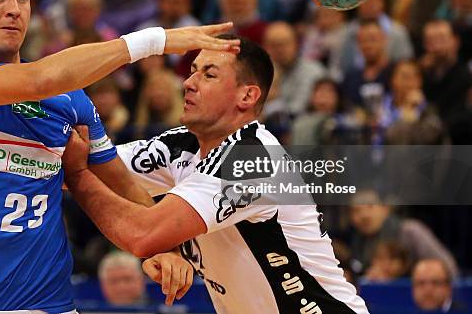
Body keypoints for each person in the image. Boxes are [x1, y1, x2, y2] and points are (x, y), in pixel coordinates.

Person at [0, 0, 238, 314]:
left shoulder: (68, 100)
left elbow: (119, 182)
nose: (14, 8)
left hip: (53, 306)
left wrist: (167, 248)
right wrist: (152, 41)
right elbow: (39, 79)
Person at [62, 36, 370, 314]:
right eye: (193, 70)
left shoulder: (252, 160)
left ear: (246, 97)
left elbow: (142, 233)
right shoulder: (179, 145)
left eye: (208, 74)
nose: (189, 82)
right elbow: (94, 166)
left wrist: (78, 174)